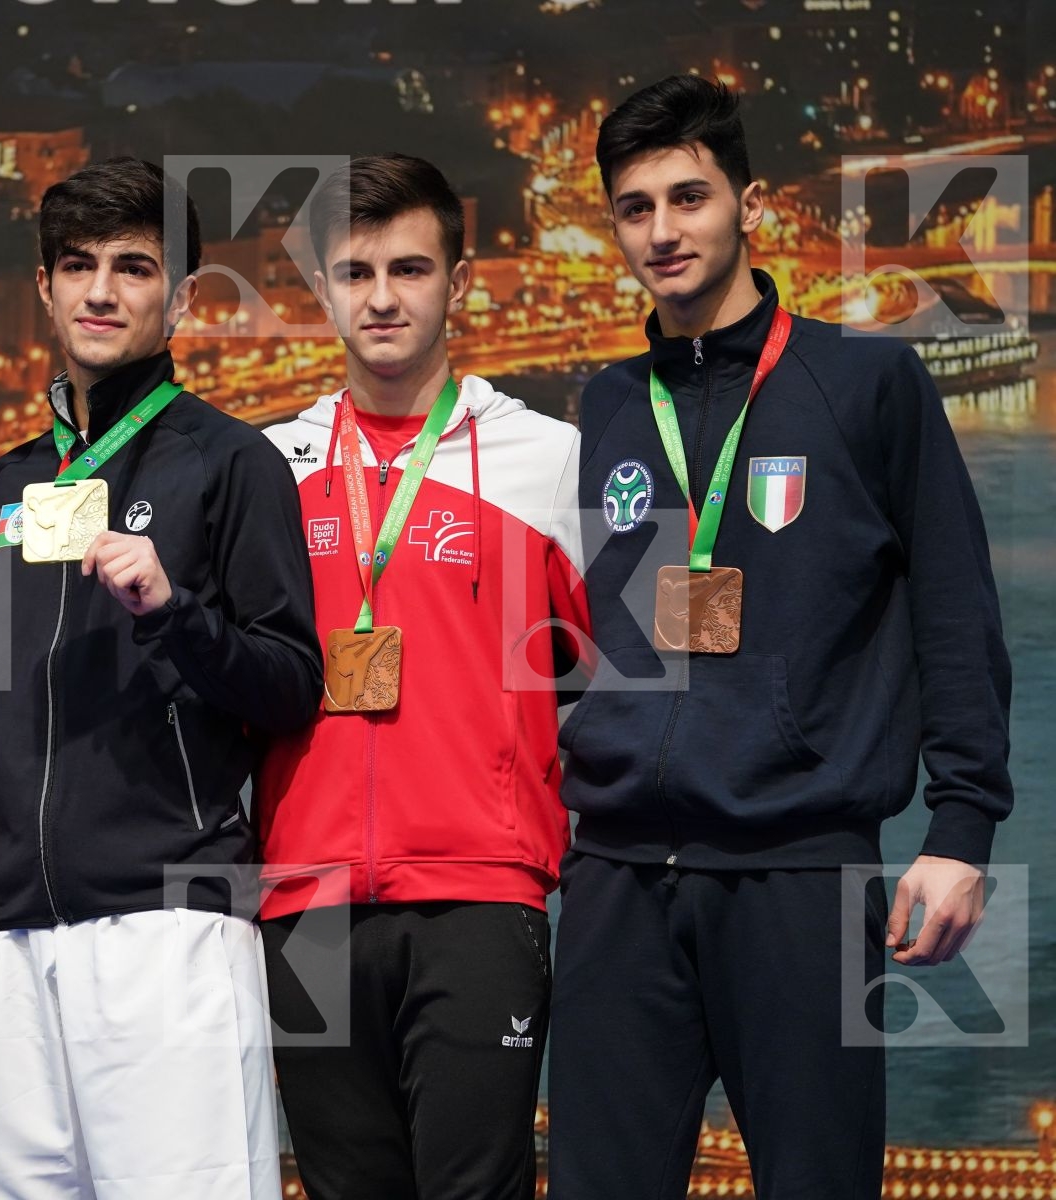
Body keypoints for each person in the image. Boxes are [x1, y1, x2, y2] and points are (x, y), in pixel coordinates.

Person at [549, 76, 1013, 1198]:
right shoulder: (605, 400)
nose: (660, 231)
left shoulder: (865, 384)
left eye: (687, 196)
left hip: (797, 871)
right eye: (633, 207)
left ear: (746, 202)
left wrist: (961, 829)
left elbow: (952, 609)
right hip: (614, 879)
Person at [0, 156, 322, 1200]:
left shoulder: (231, 464)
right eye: (77, 265)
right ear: (45, 288)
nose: (101, 290)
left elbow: (289, 685)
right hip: (13, 944)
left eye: (133, 267)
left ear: (180, 298)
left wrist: (173, 615)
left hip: (169, 931)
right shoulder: (7, 483)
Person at [256, 153, 589, 1199]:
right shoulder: (264, 468)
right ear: (321, 289)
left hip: (481, 898)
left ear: (459, 280)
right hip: (299, 900)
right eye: (355, 272)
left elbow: (624, 685)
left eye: (409, 268)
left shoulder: (551, 460)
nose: (383, 297)